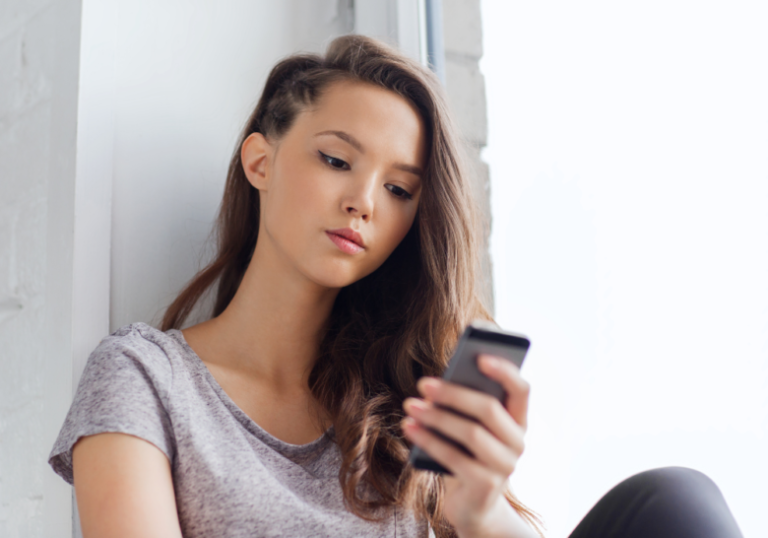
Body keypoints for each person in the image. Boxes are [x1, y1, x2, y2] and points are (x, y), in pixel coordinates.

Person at [48, 35, 743, 538]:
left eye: (400, 188)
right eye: (336, 160)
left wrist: (481, 514)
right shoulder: (145, 379)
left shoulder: (401, 402)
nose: (365, 202)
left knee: (674, 503)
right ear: (260, 159)